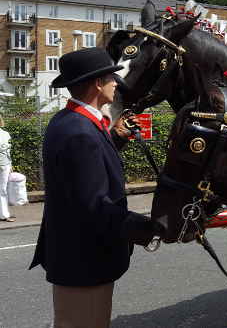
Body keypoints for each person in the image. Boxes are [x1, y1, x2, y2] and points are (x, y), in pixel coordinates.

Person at [29, 47, 155, 328]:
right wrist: (150, 227)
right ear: (97, 83)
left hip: (74, 256)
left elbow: (85, 171)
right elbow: (94, 205)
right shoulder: (80, 132)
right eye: (112, 78)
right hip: (85, 261)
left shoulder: (70, 121)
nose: (115, 84)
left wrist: (115, 139)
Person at [0, 115, 13, 222]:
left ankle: (4, 213)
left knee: (3, 189)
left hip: (5, 164)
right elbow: (7, 151)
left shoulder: (5, 134)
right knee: (3, 189)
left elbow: (7, 151)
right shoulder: (5, 134)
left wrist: (10, 164)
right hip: (4, 164)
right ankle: (4, 214)